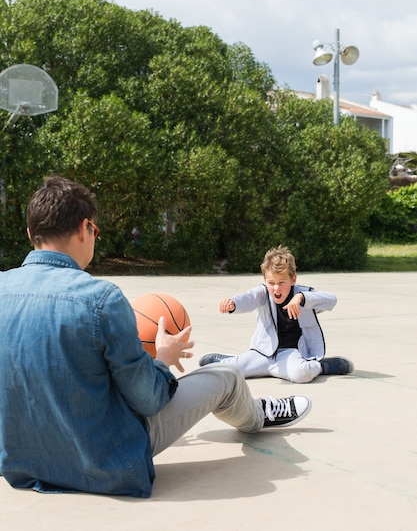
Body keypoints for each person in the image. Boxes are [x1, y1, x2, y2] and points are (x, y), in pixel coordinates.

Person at [0, 176, 312, 498]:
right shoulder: (100, 298)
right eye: (95, 231)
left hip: (22, 464)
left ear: (29, 234)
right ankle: (258, 414)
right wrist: (161, 360)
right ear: (85, 228)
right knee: (228, 377)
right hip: (105, 462)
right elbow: (148, 400)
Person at [199, 245, 353, 383]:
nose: (276, 289)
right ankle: (231, 361)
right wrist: (233, 303)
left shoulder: (303, 294)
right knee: (230, 372)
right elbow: (249, 298)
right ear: (265, 280)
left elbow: (331, 300)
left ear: (293, 279)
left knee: (301, 374)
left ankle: (322, 366)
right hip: (264, 353)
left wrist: (301, 298)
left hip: (291, 353)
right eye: (271, 283)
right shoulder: (263, 292)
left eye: (282, 283)